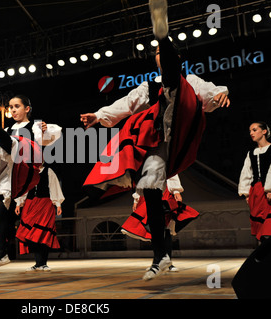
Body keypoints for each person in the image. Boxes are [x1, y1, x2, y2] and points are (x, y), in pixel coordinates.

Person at [80, 0, 230, 280]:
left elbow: (210, 94)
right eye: (159, 51)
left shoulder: (193, 82)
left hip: (180, 127)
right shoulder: (147, 88)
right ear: (155, 59)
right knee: (149, 189)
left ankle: (163, 32)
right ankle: (160, 256)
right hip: (156, 145)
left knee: (175, 83)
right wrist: (98, 116)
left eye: (165, 50)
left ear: (175, 57)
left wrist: (221, 93)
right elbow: (123, 105)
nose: (160, 55)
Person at [0, 95, 61, 270]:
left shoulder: (37, 126)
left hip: (28, 168)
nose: (13, 110)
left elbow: (53, 137)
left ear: (27, 109)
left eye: (17, 106)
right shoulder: (7, 130)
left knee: (10, 142)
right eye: (10, 107)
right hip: (10, 173)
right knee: (0, 205)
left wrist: (47, 130)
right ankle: (2, 253)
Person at [122, 174, 199, 277]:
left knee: (166, 228)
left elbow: (172, 171)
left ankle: (168, 263)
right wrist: (136, 199)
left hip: (163, 191)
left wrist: (176, 190)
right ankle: (157, 262)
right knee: (154, 229)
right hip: (147, 192)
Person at [238, 122, 271, 243]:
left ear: (264, 131)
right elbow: (246, 173)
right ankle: (266, 258)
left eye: (254, 130)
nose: (251, 133)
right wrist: (246, 193)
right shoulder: (251, 153)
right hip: (257, 192)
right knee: (261, 229)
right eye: (250, 131)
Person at [15, 164, 64, 271]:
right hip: (30, 205)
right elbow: (24, 188)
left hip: (45, 205)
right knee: (30, 234)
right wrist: (18, 203)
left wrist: (58, 204)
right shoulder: (29, 171)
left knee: (43, 234)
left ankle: (43, 263)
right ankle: (38, 263)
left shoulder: (48, 171)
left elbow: (54, 187)